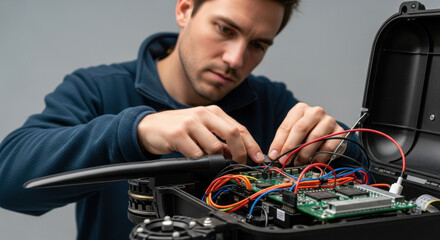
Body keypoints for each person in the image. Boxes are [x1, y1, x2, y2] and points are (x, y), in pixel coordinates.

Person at [0, 0, 363, 239]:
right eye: (225, 29)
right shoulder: (97, 89)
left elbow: (379, 167)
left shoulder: (271, 102)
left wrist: (343, 145)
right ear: (185, 10)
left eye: (257, 45)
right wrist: (137, 132)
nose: (236, 59)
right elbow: (8, 180)